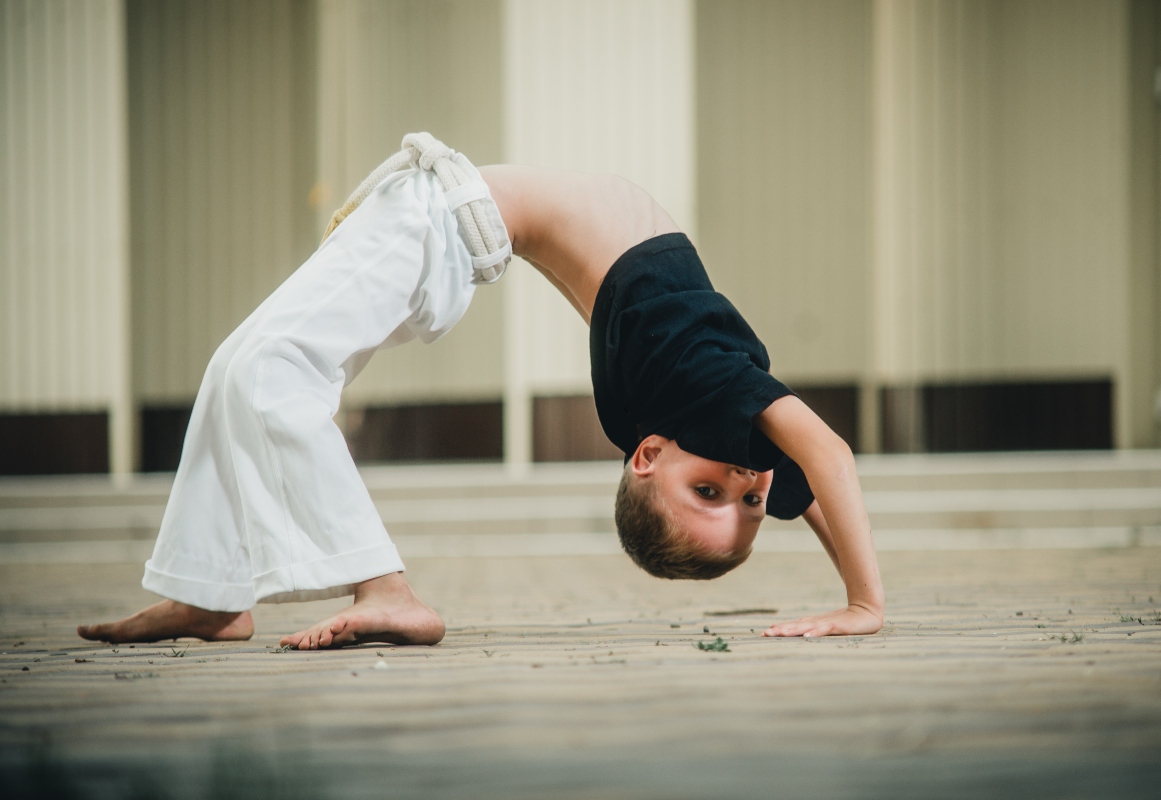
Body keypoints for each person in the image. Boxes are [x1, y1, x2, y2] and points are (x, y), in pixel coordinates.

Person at [78, 133, 882, 649]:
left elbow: (803, 479)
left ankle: (386, 591)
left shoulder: (688, 414)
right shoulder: (709, 391)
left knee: (269, 371)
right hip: (448, 217)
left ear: (645, 458)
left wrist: (795, 533)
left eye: (718, 496)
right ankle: (209, 593)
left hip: (444, 225)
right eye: (736, 500)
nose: (747, 490)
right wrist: (860, 602)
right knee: (239, 366)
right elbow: (827, 465)